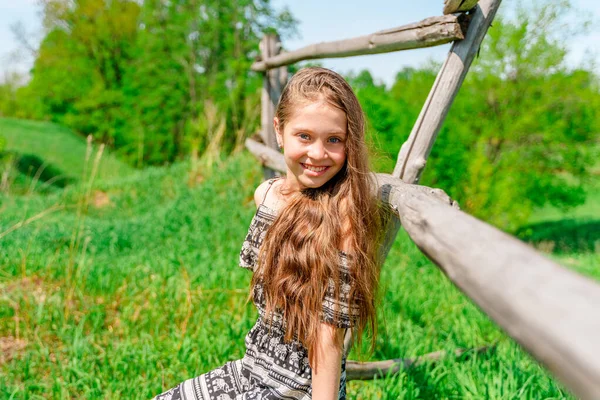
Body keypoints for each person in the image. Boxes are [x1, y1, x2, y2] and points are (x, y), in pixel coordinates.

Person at [154, 67, 385, 400]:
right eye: (304, 136)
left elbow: (328, 339)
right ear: (279, 131)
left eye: (334, 140)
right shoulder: (268, 196)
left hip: (295, 390)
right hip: (251, 371)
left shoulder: (343, 222)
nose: (318, 153)